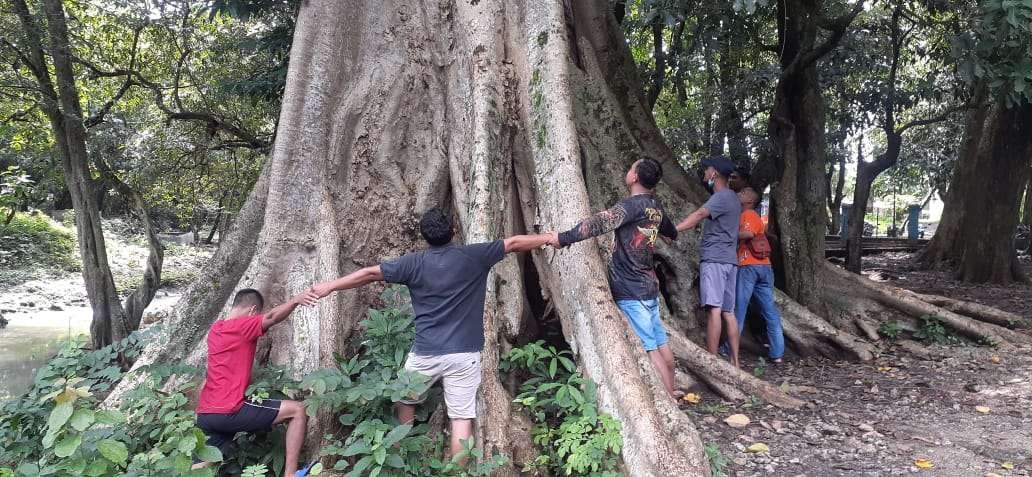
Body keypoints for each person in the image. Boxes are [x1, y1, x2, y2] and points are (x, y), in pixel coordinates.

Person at [311, 208, 555, 457]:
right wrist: (550, 238)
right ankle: (458, 474)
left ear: (423, 236)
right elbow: (513, 243)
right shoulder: (474, 256)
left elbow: (370, 273)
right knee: (461, 418)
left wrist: (330, 286)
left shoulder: (412, 263)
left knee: (405, 401)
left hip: (425, 354)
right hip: (465, 354)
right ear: (453, 230)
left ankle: (399, 458)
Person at [552, 158, 679, 398]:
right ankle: (672, 388)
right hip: (650, 287)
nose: (628, 170)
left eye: (631, 167)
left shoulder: (631, 206)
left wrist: (563, 238)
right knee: (662, 345)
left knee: (650, 350)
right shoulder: (655, 206)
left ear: (634, 178)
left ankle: (670, 399)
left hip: (632, 290)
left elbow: (599, 223)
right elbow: (671, 232)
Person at [194, 288, 319, 477]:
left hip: (206, 414)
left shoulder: (216, 329)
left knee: (201, 467)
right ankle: (291, 474)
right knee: (298, 410)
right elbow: (272, 317)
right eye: (256, 314)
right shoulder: (243, 326)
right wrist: (295, 300)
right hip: (229, 410)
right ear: (252, 311)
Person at [675, 155, 742, 367]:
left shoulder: (722, 196)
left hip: (715, 260)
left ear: (714, 173)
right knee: (728, 312)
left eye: (706, 170)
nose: (704, 174)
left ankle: (712, 363)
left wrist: (673, 229)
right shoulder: (733, 198)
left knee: (714, 309)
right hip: (730, 261)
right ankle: (735, 362)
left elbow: (700, 214)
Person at [733, 187, 785, 362]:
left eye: (743, 192)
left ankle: (729, 349)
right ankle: (777, 353)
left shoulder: (748, 214)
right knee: (769, 311)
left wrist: (726, 232)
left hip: (749, 266)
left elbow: (748, 233)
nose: (739, 193)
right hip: (764, 268)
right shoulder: (750, 214)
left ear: (750, 200)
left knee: (739, 309)